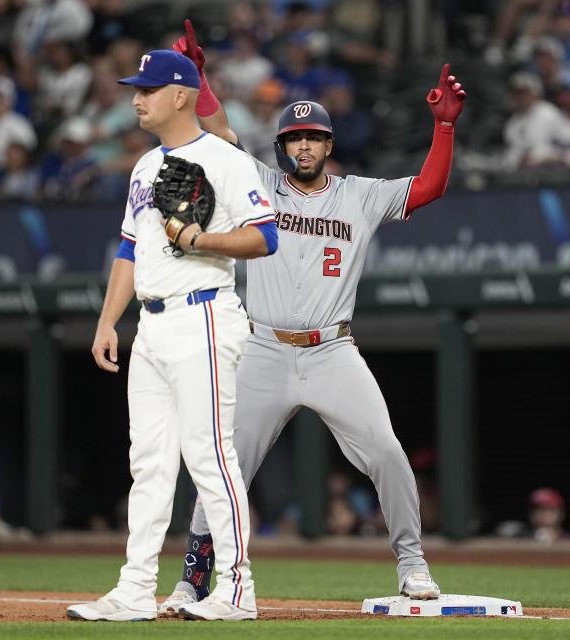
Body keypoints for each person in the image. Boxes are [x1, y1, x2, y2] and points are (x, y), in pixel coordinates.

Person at [158, 20, 465, 615]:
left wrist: (445, 126)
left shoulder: (360, 194)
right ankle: (196, 577)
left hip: (331, 350)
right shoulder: (261, 185)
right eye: (294, 137)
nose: (304, 146)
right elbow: (218, 133)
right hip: (265, 350)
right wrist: (200, 83)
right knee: (222, 462)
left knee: (387, 452)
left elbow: (428, 187)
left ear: (329, 145)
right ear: (283, 147)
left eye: (313, 137)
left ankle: (412, 563)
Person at [64, 48, 278, 623]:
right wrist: (108, 320)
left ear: (181, 95)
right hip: (151, 325)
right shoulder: (142, 167)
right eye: (136, 87)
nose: (136, 97)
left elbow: (266, 238)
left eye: (148, 88)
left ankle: (236, 590)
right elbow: (130, 249)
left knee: (209, 456)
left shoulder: (226, 160)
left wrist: (199, 241)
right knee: (150, 463)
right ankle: (135, 590)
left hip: (204, 315)